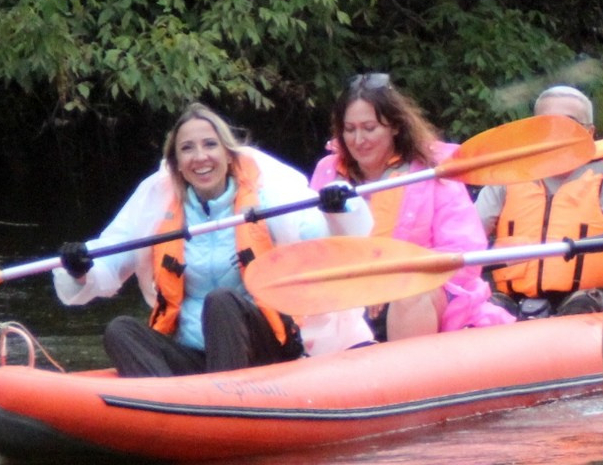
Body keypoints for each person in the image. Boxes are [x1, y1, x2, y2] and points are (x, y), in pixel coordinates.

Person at [54, 104, 372, 376]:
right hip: (193, 353)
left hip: (263, 346)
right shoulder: (157, 204)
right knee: (120, 330)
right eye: (188, 148)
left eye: (210, 145)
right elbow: (113, 251)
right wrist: (81, 267)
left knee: (220, 301)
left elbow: (321, 240)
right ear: (176, 162)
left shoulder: (267, 196)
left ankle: (223, 399)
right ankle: (168, 413)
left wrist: (338, 209)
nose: (200, 157)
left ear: (227, 153)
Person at [310, 73, 513, 339]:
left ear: (394, 126)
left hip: (420, 293)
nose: (359, 140)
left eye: (369, 128)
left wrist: (391, 280)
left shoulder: (429, 171)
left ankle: (407, 374)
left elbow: (462, 252)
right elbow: (312, 246)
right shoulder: (328, 172)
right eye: (350, 129)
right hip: (349, 297)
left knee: (410, 292)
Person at [473, 83, 603, 318]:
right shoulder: (507, 180)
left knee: (578, 307)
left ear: (589, 133)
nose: (557, 131)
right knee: (481, 310)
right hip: (513, 299)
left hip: (590, 297)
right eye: (547, 124)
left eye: (569, 123)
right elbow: (464, 241)